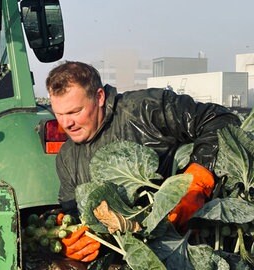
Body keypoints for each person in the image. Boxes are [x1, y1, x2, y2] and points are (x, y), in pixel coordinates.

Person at [45, 61, 241, 262]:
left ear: (99, 97)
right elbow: (74, 211)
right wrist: (74, 239)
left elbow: (219, 119)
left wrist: (198, 180)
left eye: (74, 112)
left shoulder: (145, 110)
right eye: (59, 114)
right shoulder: (66, 157)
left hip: (193, 244)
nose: (66, 123)